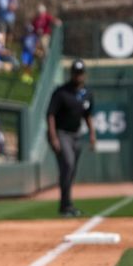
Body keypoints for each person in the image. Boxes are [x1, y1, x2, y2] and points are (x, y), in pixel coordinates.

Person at [47, 59, 95, 217]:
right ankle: (66, 205)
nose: (78, 76)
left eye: (80, 73)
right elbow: (51, 115)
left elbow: (88, 116)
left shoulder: (87, 93)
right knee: (67, 164)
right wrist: (54, 137)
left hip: (76, 135)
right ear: (71, 74)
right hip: (61, 134)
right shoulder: (61, 92)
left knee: (71, 170)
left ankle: (66, 205)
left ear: (84, 74)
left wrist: (92, 134)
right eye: (76, 73)